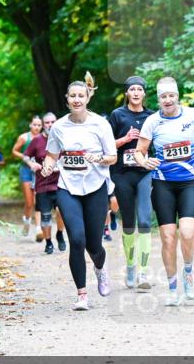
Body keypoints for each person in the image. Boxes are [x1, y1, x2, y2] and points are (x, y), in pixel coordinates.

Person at [134, 77, 194, 306]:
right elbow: (140, 151)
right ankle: (172, 288)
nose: (167, 100)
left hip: (189, 182)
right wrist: (144, 161)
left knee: (187, 234)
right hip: (163, 184)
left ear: (177, 96)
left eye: (171, 95)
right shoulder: (151, 122)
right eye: (163, 97)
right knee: (168, 238)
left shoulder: (193, 115)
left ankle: (188, 273)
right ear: (158, 99)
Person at [41, 76, 117, 311]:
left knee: (94, 245)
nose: (76, 99)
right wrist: (47, 165)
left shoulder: (100, 124)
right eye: (72, 96)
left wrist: (99, 158)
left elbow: (112, 157)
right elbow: (52, 155)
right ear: (67, 99)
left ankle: (100, 268)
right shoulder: (59, 126)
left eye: (80, 96)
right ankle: (82, 295)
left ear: (87, 98)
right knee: (76, 239)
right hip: (67, 188)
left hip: (95, 187)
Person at [107, 75, 155, 291]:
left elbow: (158, 146)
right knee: (128, 223)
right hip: (122, 174)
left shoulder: (152, 117)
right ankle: (130, 266)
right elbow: (106, 146)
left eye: (139, 89)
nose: (136, 93)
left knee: (144, 222)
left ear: (144, 93)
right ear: (126, 93)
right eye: (132, 89)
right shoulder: (118, 115)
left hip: (144, 173)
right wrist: (126, 140)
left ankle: (143, 272)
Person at [24, 112, 68, 254]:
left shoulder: (63, 139)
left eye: (52, 122)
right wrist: (31, 164)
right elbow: (26, 156)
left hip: (61, 184)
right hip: (42, 184)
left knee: (61, 212)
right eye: (47, 123)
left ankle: (60, 234)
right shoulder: (37, 141)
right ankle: (48, 242)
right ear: (43, 125)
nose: (50, 125)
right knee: (45, 216)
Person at [13, 116, 43, 238]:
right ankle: (26, 222)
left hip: (38, 171)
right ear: (30, 125)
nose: (36, 127)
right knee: (29, 202)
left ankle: (38, 229)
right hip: (26, 170)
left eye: (39, 125)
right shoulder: (24, 137)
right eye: (34, 124)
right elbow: (14, 151)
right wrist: (26, 157)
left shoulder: (44, 138)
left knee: (37, 201)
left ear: (42, 126)